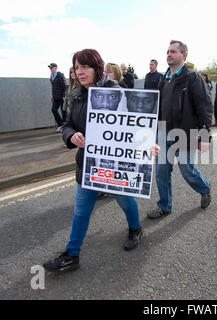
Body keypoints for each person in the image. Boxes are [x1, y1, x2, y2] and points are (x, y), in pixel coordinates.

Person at [42, 49, 160, 272]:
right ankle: (72, 254)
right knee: (81, 209)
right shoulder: (76, 94)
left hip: (114, 164)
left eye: (84, 67)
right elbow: (67, 124)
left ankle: (135, 229)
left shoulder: (115, 91)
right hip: (87, 164)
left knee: (125, 201)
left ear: (97, 68)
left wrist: (147, 144)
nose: (79, 72)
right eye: (76, 68)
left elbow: (134, 125)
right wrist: (71, 135)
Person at [146, 40, 212, 219]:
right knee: (161, 171)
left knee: (187, 170)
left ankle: (205, 189)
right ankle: (165, 206)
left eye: (173, 51)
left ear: (184, 55)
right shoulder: (164, 78)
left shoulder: (193, 78)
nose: (169, 54)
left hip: (184, 133)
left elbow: (204, 107)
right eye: (167, 51)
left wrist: (205, 136)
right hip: (162, 131)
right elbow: (158, 106)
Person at [48, 63, 67, 132]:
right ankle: (61, 124)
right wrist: (53, 96)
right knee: (54, 110)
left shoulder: (60, 75)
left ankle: (66, 126)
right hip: (55, 97)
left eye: (51, 68)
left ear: (56, 68)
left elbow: (64, 86)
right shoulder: (51, 76)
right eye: (50, 68)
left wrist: (64, 96)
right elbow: (53, 87)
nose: (50, 69)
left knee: (63, 111)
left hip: (62, 97)